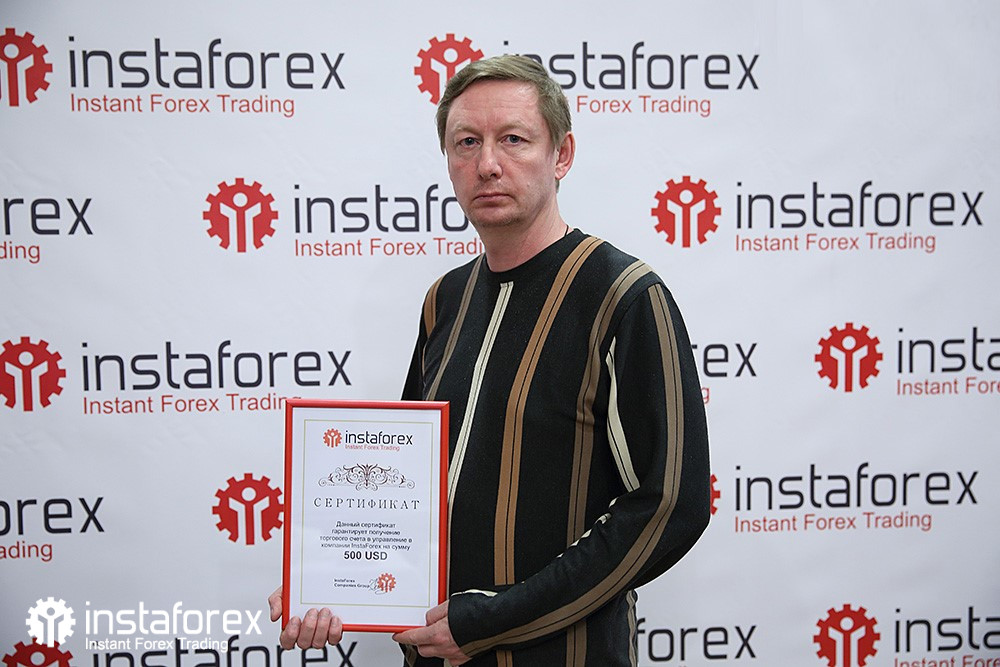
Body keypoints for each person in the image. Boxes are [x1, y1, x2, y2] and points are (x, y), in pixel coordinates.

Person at [270, 54, 711, 667]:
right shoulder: (444, 300)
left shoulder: (623, 296)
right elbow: (404, 485)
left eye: (514, 139)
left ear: (562, 155)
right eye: (467, 142)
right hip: (434, 653)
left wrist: (495, 617)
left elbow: (669, 506)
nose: (487, 164)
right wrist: (328, 582)